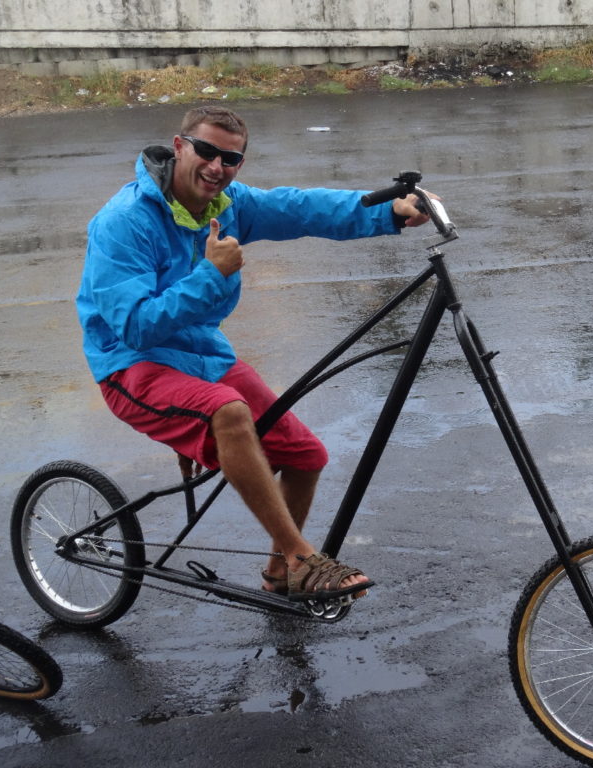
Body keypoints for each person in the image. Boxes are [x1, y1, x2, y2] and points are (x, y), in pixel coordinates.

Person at [76, 105, 431, 603]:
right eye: (206, 151)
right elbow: (133, 326)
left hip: (201, 356)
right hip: (130, 366)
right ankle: (301, 556)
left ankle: (279, 574)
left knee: (306, 455)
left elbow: (301, 208)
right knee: (229, 410)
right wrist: (210, 275)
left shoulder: (226, 203)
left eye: (231, 158)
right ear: (179, 146)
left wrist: (389, 209)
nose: (217, 167)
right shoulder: (125, 221)